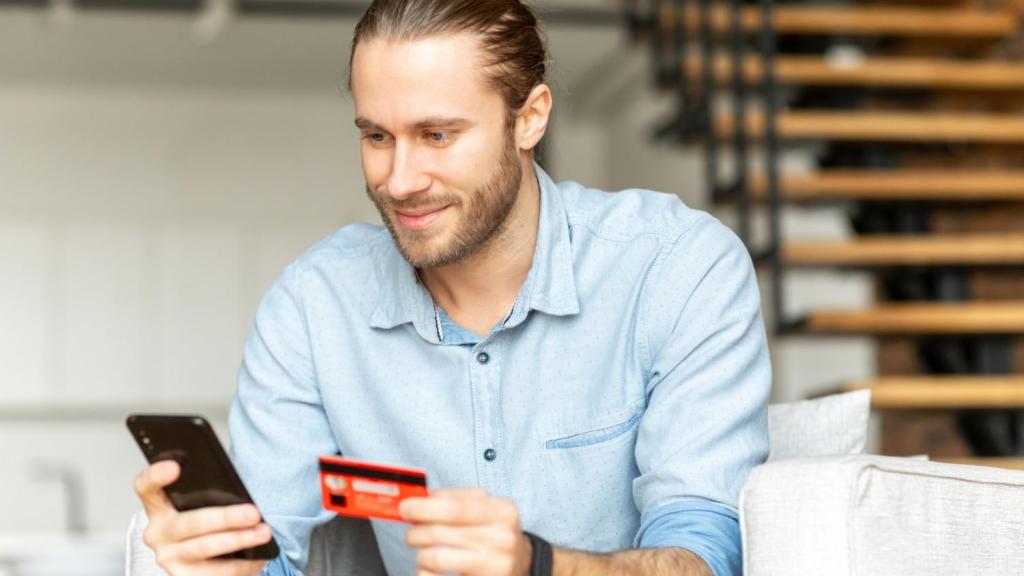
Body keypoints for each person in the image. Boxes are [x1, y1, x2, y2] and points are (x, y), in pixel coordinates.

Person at [132, 1, 771, 574]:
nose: (400, 180)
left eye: (436, 135)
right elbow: (277, 555)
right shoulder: (311, 307)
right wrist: (229, 567)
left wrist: (539, 566)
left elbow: (704, 558)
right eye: (377, 136)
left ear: (530, 119)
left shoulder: (676, 267)